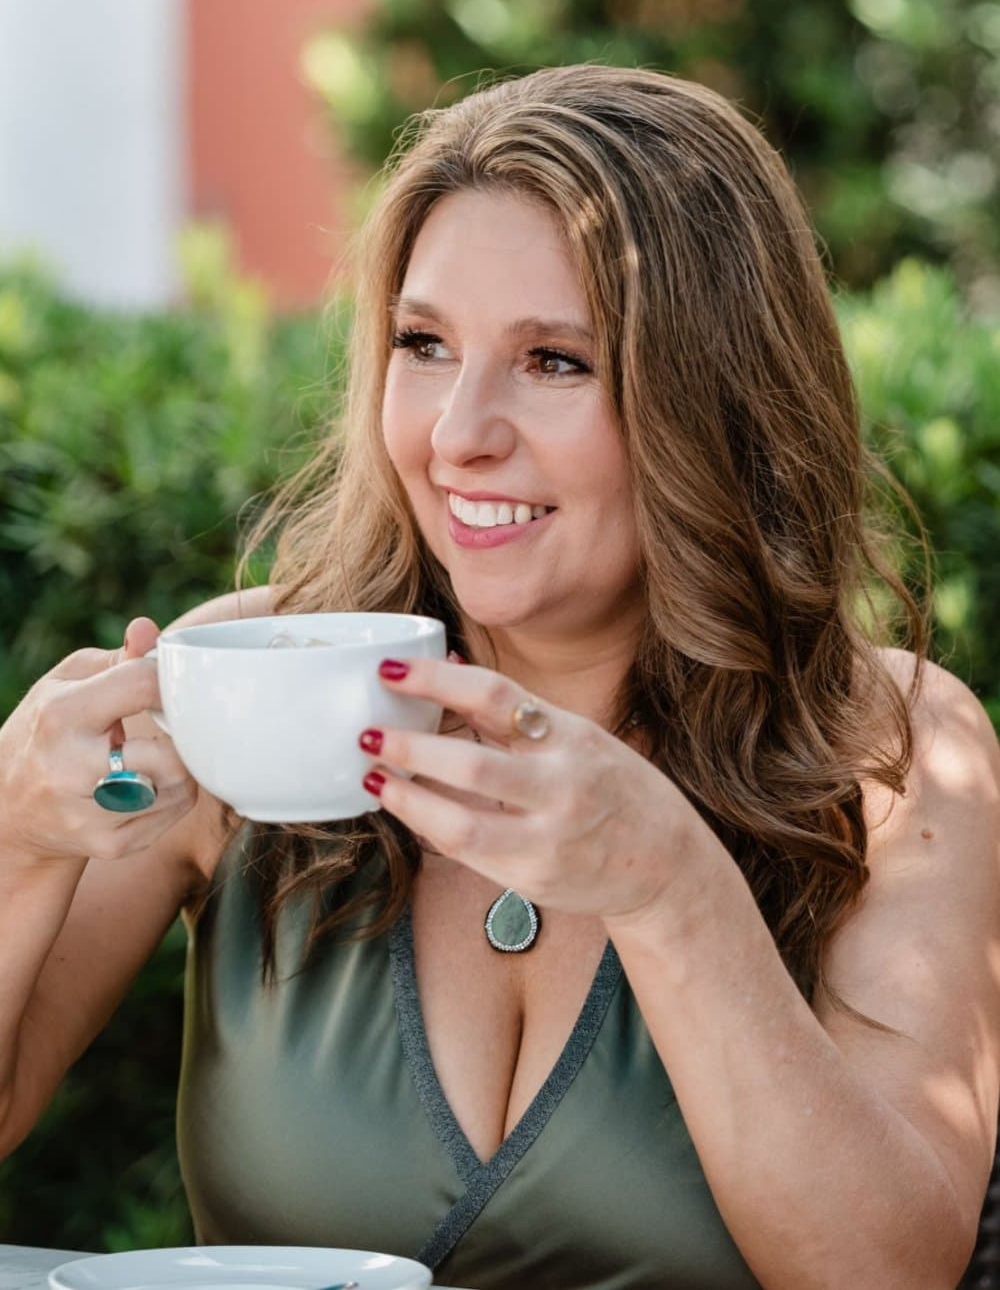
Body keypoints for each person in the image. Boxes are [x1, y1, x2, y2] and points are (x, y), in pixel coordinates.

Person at [1, 65, 998, 1290]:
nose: (455, 431)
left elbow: (887, 1273)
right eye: (423, 345)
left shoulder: (889, 746)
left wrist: (673, 894)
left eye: (555, 362)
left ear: (714, 399)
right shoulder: (255, 681)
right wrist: (18, 840)